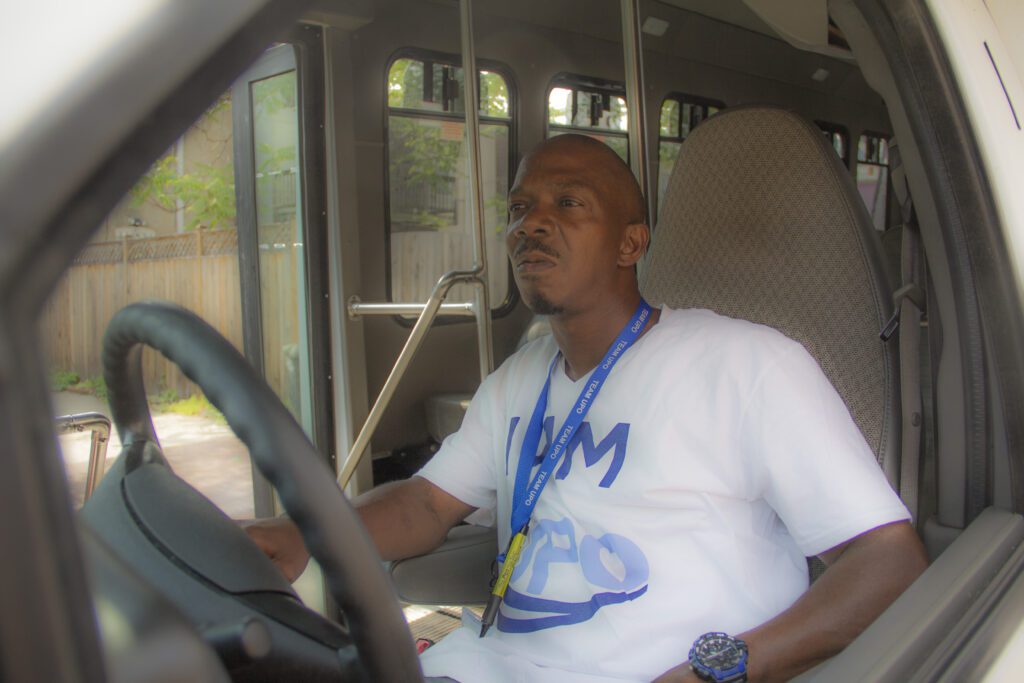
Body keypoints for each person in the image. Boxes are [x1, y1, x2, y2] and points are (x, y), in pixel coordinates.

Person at [245, 134, 928, 682]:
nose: (529, 224)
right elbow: (425, 506)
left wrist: (723, 668)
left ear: (631, 243)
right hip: (484, 664)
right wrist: (304, 533)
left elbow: (888, 561)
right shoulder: (518, 377)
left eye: (568, 203)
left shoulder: (748, 365)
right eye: (518, 208)